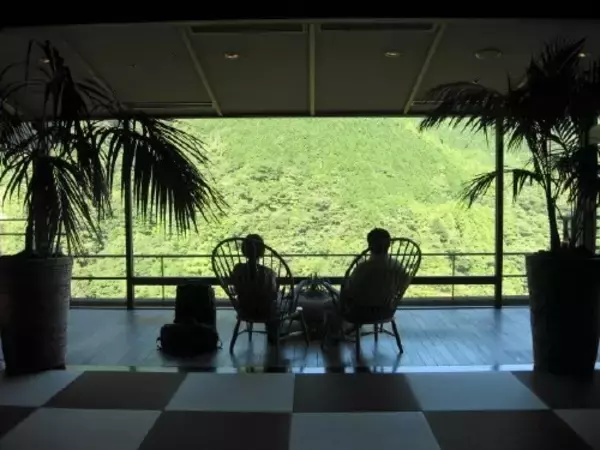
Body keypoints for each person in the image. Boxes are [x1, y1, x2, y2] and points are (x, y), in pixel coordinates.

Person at [230, 234, 280, 342]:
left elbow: (236, 288)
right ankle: (273, 335)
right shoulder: (269, 273)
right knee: (276, 302)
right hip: (265, 312)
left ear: (243, 250)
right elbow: (273, 294)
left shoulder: (238, 269)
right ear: (262, 252)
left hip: (244, 309)